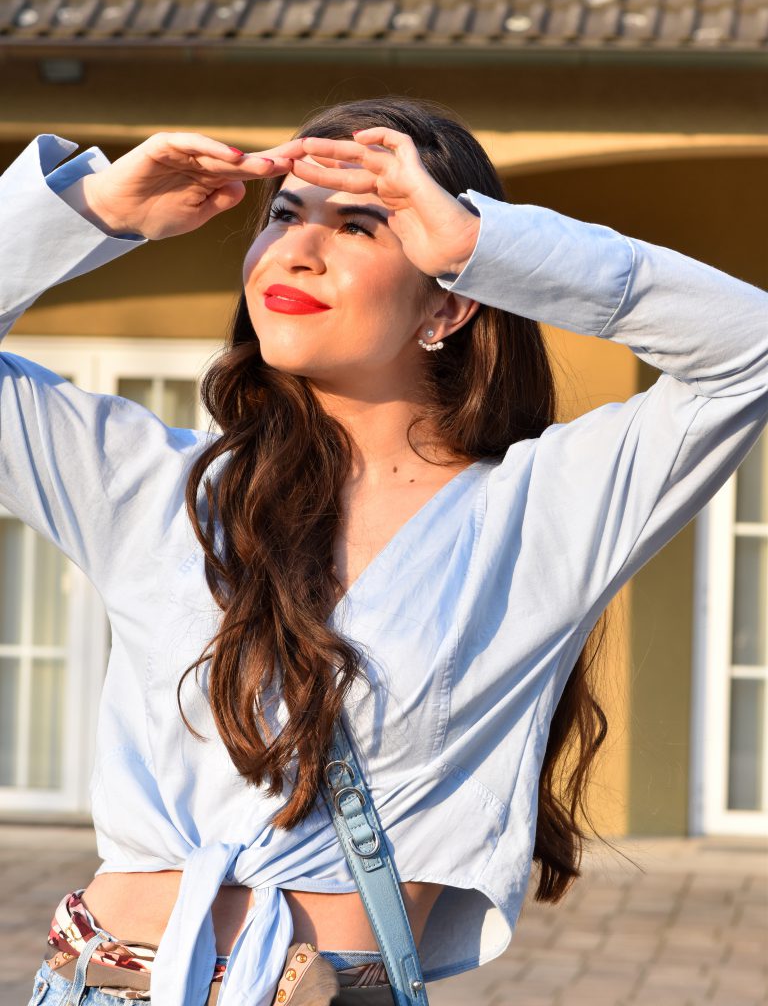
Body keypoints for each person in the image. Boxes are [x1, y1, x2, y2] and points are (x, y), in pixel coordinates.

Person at [3, 97, 766, 1006]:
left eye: (362, 226)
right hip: (103, 983)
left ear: (445, 304)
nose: (295, 248)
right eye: (284, 215)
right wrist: (88, 211)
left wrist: (485, 243)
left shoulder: (544, 511)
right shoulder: (149, 483)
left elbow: (748, 351)